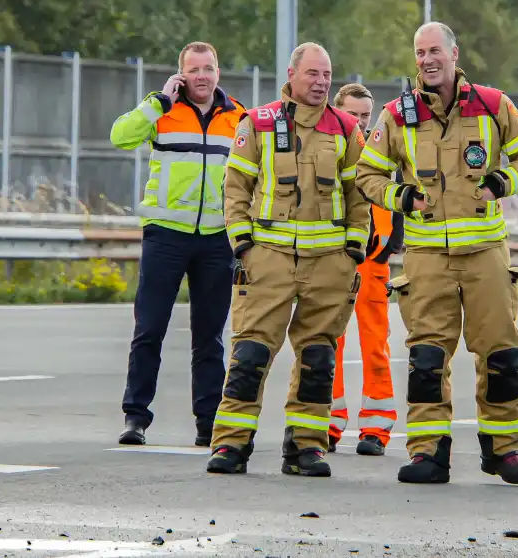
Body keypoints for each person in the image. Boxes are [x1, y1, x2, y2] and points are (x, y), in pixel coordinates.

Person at [354, 22, 518, 485]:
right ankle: (427, 454)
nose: (427, 60)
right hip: (426, 256)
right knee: (426, 358)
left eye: (435, 50)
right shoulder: (396, 115)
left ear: (454, 54)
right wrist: (401, 198)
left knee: (501, 354)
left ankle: (503, 451)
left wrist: (503, 183)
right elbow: (368, 175)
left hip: (485, 252)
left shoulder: (493, 105)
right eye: (420, 52)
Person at [206, 42, 370, 478]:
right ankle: (230, 445)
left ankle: (306, 449)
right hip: (269, 259)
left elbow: (360, 194)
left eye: (326, 75)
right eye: (313, 74)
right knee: (250, 355)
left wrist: (354, 247)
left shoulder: (348, 129)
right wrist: (242, 243)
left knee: (318, 360)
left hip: (329, 263)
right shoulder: (257, 122)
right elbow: (236, 186)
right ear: (292, 74)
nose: (321, 83)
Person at [110, 41, 246, 447]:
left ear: (218, 72)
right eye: (193, 69)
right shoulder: (162, 111)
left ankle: (208, 422)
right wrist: (157, 102)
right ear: (181, 74)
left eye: (208, 68)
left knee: (210, 337)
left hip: (216, 239)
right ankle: (136, 417)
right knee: (149, 329)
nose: (201, 76)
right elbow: (120, 136)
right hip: (166, 236)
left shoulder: (238, 117)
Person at [327, 83, 403, 457]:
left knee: (376, 345)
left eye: (364, 115)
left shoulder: (384, 143)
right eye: (353, 113)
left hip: (374, 260)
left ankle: (376, 425)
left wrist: (394, 237)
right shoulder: (327, 142)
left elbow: (400, 186)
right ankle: (328, 421)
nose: (359, 121)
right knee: (329, 342)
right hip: (335, 256)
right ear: (338, 110)